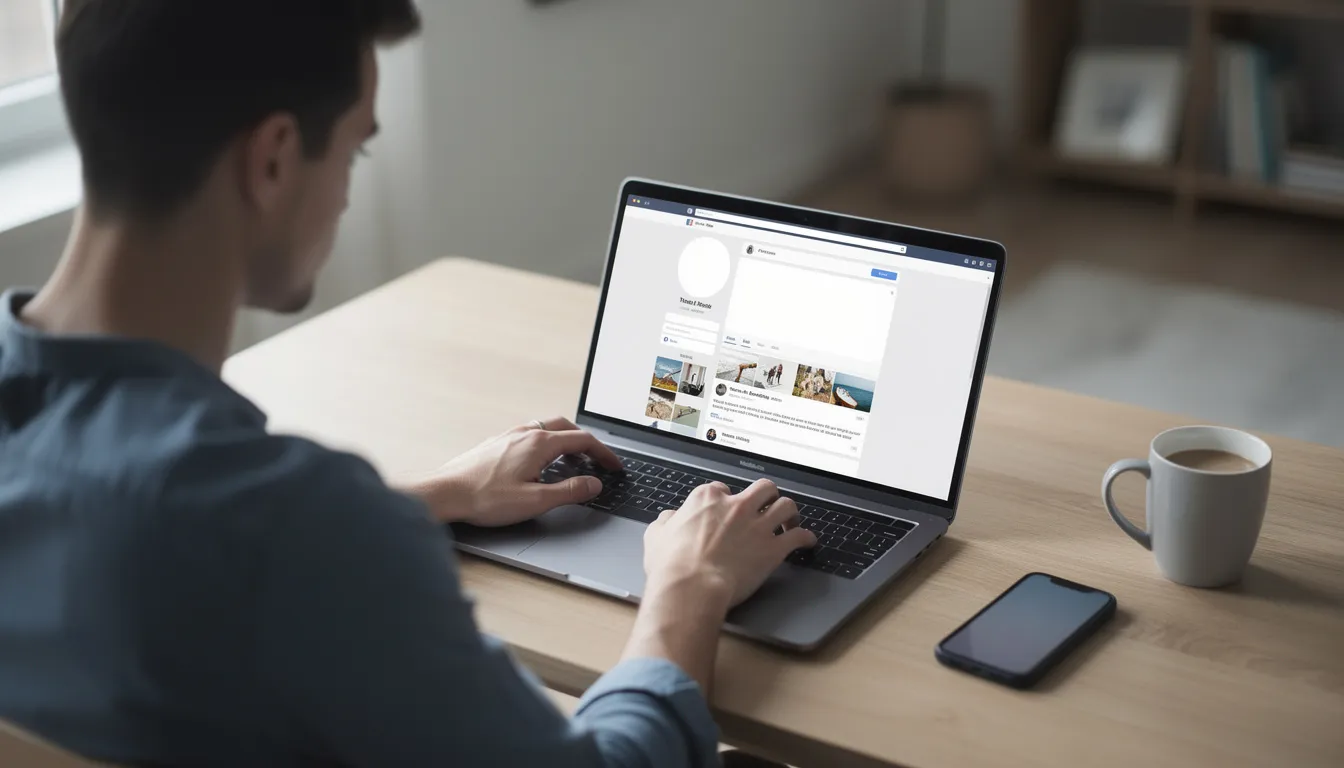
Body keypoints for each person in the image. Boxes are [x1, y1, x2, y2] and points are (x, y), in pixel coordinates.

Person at [0, 2, 816, 767]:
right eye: (354, 149)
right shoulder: (293, 530)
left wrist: (430, 495)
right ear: (275, 159)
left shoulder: (245, 515)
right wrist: (687, 585)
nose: (349, 188)